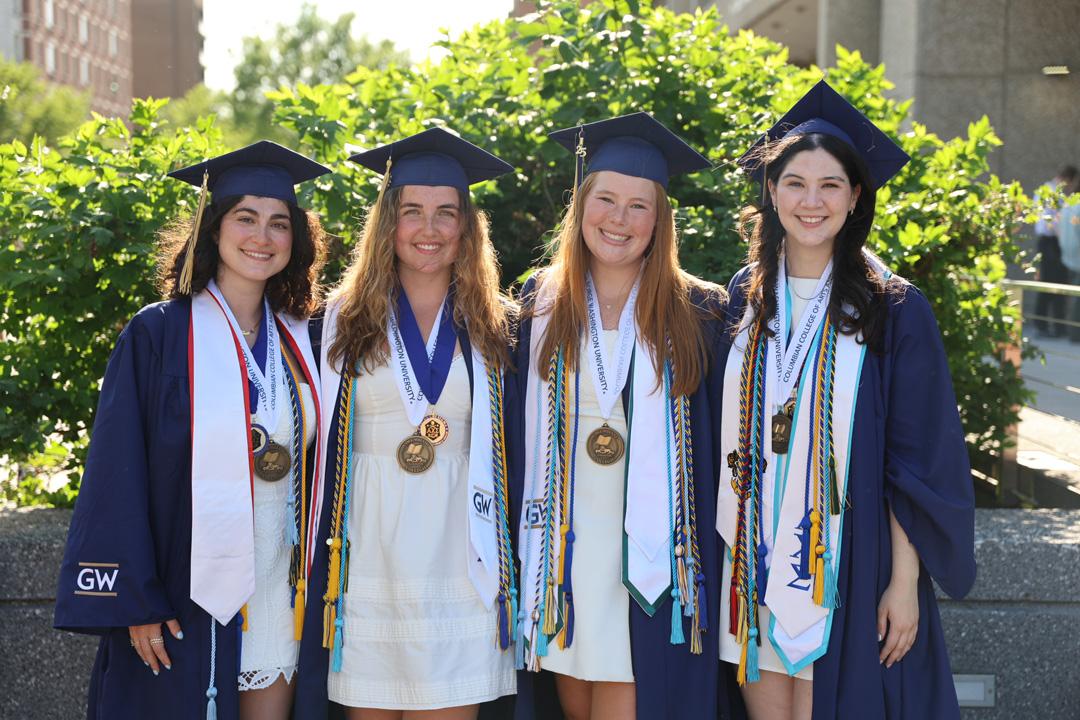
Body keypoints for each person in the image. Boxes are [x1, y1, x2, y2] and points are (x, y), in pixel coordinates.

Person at [715, 80, 977, 720]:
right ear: (770, 192)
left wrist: (904, 582)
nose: (812, 201)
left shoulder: (891, 306)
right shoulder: (747, 295)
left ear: (856, 196)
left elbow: (912, 459)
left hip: (847, 559)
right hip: (751, 557)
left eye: (830, 184)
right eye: (794, 183)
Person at [54, 141, 332, 720]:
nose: (262, 236)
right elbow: (116, 468)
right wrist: (136, 599)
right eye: (246, 218)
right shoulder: (159, 334)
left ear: (296, 240)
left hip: (280, 590)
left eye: (279, 223)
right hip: (187, 589)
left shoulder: (305, 338)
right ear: (213, 229)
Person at [507, 112, 739, 720]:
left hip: (651, 557)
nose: (619, 219)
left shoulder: (700, 312)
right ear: (580, 206)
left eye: (640, 206)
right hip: (563, 552)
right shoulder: (539, 302)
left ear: (660, 221)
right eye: (605, 199)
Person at [294, 128, 518, 720]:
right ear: (387, 223)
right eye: (412, 211)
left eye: (447, 213)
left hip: (460, 547)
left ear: (467, 229)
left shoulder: (498, 326)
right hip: (369, 545)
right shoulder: (336, 321)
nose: (429, 228)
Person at [1033, 166, 1078, 337]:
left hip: (1052, 242)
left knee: (1057, 283)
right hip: (1049, 242)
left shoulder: (1051, 191)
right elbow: (1052, 222)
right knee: (1049, 283)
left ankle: (1056, 325)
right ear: (1066, 178)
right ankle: (1043, 325)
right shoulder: (1051, 192)